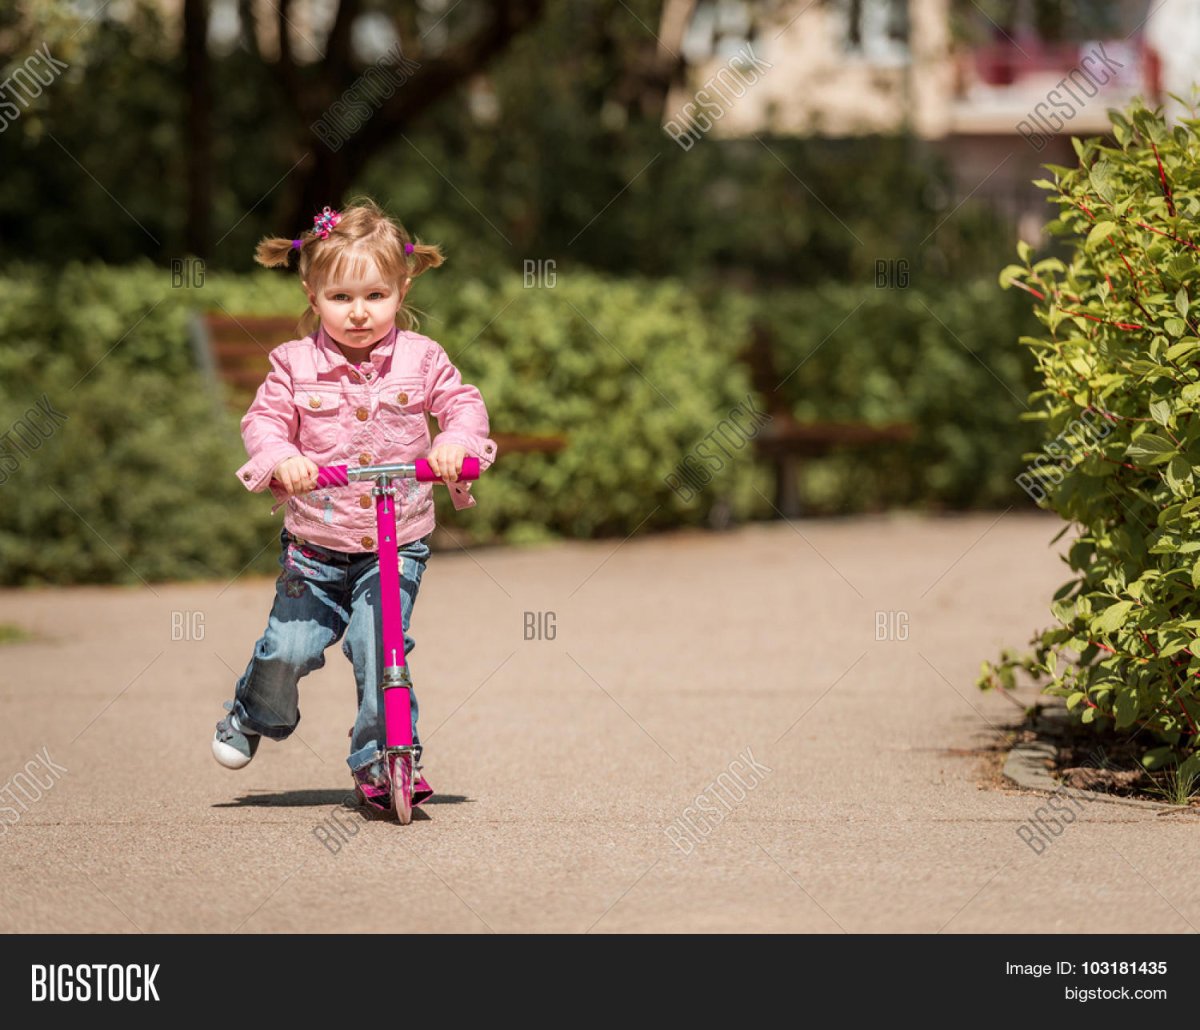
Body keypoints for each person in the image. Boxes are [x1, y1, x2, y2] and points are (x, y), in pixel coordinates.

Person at [210, 198, 496, 807]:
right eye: (341, 298)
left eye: (375, 296)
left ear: (402, 286)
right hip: (316, 548)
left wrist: (455, 443)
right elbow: (263, 423)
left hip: (396, 545)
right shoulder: (293, 365)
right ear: (312, 294)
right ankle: (255, 709)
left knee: (379, 644)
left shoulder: (423, 359)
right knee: (289, 650)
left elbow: (462, 405)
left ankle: (384, 760)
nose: (359, 313)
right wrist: (283, 458)